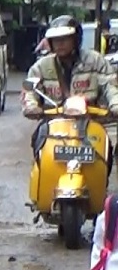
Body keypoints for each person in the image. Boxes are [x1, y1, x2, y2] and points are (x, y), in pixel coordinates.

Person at [22, 16, 118, 165]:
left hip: (92, 121)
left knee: (107, 154)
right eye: (56, 40)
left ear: (76, 39)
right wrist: (31, 106)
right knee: (39, 144)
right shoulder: (41, 67)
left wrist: (115, 104)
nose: (60, 44)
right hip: (55, 123)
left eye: (65, 39)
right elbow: (30, 91)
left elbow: (111, 85)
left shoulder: (96, 61)